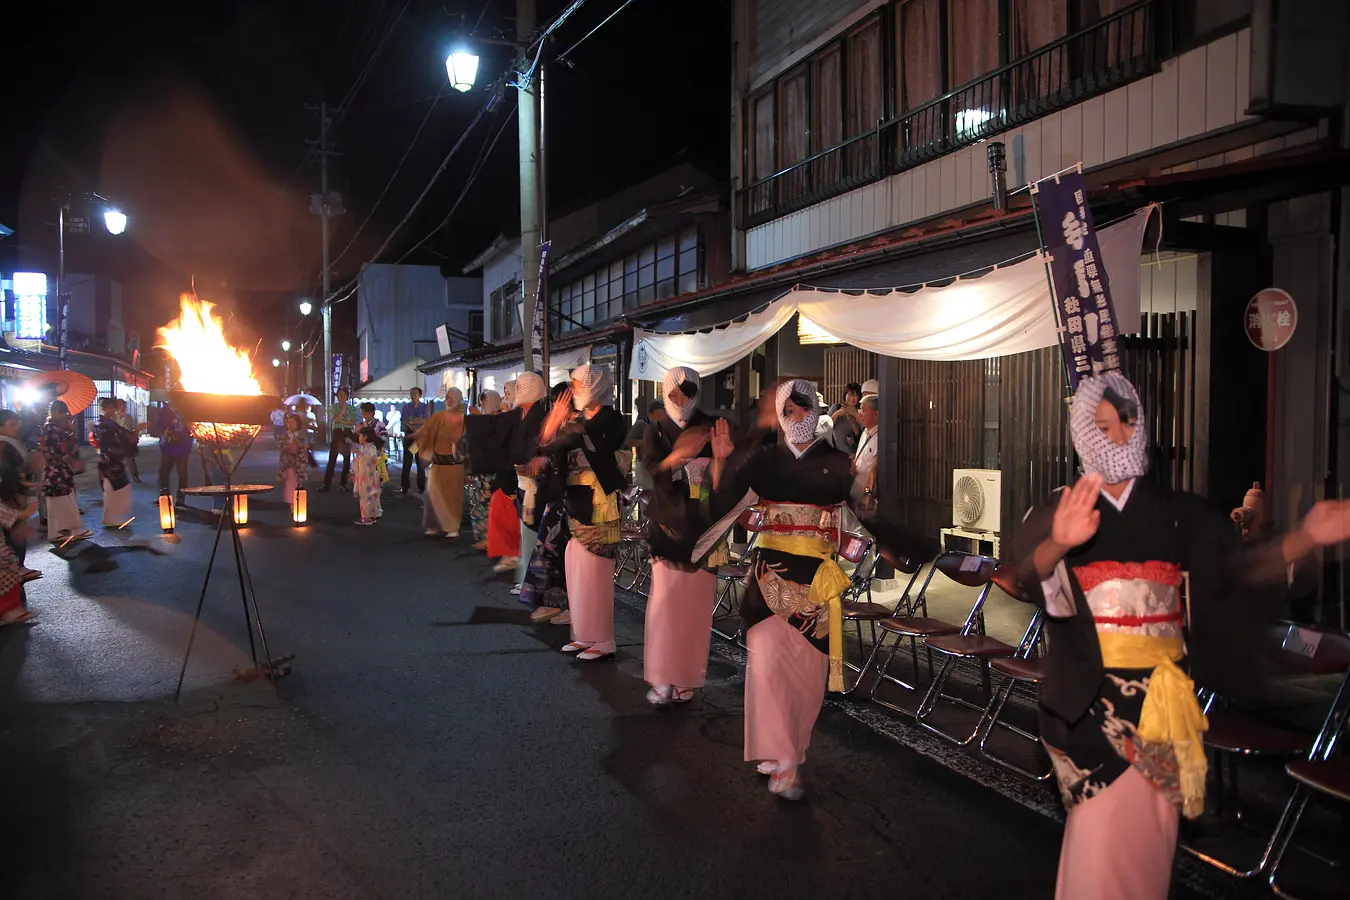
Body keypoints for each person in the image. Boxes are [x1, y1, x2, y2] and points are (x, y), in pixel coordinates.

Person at [1011, 372, 1350, 900]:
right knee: (1101, 849)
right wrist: (1056, 544)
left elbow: (1235, 573)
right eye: (1102, 427)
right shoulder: (1061, 508)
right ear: (1080, 433)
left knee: (1147, 850)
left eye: (1127, 424)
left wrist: (1306, 537)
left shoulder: (1179, 514)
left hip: (1164, 704)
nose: (1118, 438)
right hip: (1091, 707)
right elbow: (1026, 578)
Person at [709, 379, 856, 800]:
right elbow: (726, 503)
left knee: (806, 674)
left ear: (816, 410)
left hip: (814, 579)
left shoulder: (838, 461)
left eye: (803, 409)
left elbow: (857, 518)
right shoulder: (763, 459)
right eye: (787, 410)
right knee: (769, 668)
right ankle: (785, 758)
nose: (796, 418)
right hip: (768, 575)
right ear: (777, 412)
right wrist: (721, 464)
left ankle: (789, 748)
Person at [639, 366, 730, 706]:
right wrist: (681, 456)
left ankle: (687, 675)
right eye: (675, 394)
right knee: (665, 604)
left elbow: (719, 486)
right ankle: (663, 676)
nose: (682, 401)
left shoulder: (711, 426)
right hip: (666, 524)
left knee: (695, 607)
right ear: (665, 392)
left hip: (702, 524)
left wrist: (719, 458)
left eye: (688, 394)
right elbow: (649, 476)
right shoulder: (654, 430)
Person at [540, 365, 627, 661]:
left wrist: (579, 431)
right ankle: (583, 634)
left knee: (597, 571)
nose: (574, 392)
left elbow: (604, 453)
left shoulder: (613, 419)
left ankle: (603, 639)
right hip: (577, 497)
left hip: (601, 500)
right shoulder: (576, 419)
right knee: (575, 565)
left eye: (578, 386)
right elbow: (547, 446)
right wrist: (556, 419)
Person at [520, 381, 574, 622]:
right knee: (548, 549)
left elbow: (547, 445)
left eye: (559, 402)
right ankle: (553, 602)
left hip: (570, 496)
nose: (555, 406)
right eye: (553, 402)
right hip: (555, 494)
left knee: (556, 551)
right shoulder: (560, 423)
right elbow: (543, 446)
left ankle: (567, 605)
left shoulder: (577, 426)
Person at [409, 387, 467, 537]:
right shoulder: (438, 416)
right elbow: (426, 431)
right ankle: (433, 525)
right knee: (432, 495)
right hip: (438, 463)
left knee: (452, 497)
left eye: (452, 397)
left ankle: (452, 527)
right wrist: (415, 436)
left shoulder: (464, 418)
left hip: (454, 465)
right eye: (447, 397)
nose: (449, 400)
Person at [41, 400, 90, 540]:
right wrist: (73, 461)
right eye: (62, 414)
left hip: (58, 469)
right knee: (60, 501)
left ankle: (67, 530)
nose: (64, 416)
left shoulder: (54, 428)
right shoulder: (51, 429)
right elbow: (58, 451)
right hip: (56, 469)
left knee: (65, 500)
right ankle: (61, 531)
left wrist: (72, 431)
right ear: (56, 413)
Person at [93, 398, 138, 527]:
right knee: (113, 489)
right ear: (104, 409)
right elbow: (125, 437)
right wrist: (136, 432)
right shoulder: (103, 424)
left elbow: (126, 435)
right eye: (111, 408)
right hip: (109, 460)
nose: (113, 410)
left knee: (117, 489)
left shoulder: (107, 424)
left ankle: (112, 517)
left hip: (110, 459)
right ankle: (110, 518)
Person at [322, 386, 360, 491]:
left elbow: (353, 422)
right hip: (337, 432)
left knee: (347, 458)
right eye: (339, 395)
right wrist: (342, 410)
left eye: (344, 395)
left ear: (347, 396)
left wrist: (342, 421)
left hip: (347, 431)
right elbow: (335, 418)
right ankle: (326, 484)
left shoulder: (351, 408)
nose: (341, 397)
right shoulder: (333, 407)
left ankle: (343, 484)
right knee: (332, 458)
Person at [156, 404, 193, 504]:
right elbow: (159, 422)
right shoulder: (166, 409)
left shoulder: (187, 409)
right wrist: (164, 431)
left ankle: (180, 497)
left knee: (182, 474)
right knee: (163, 472)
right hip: (168, 446)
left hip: (183, 447)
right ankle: (164, 496)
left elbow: (192, 426)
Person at [399, 387, 432, 495]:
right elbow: (405, 420)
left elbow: (426, 420)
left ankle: (422, 486)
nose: (413, 395)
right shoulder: (406, 407)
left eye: (415, 393)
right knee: (407, 461)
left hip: (420, 437)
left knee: (420, 462)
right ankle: (404, 486)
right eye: (411, 393)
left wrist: (413, 422)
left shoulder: (425, 406)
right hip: (410, 435)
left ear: (419, 395)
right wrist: (415, 426)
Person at [277, 414, 312, 515]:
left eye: (293, 422)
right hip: (288, 463)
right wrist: (287, 444)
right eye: (289, 422)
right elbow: (281, 446)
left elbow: (304, 446)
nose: (290, 425)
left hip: (299, 463)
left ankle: (297, 503)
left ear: (298, 424)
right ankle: (291, 504)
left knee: (298, 483)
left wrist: (296, 440)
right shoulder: (285, 435)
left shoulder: (302, 435)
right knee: (289, 483)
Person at [351, 422, 385, 526]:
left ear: (365, 437)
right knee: (368, 497)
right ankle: (371, 515)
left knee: (367, 497)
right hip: (364, 476)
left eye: (360, 436)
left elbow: (369, 459)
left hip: (368, 476)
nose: (359, 438)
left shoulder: (371, 448)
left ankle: (367, 518)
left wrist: (359, 453)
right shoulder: (365, 447)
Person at [851, 395, 879, 512]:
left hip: (866, 498)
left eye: (863, 410)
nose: (860, 414)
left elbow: (875, 468)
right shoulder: (865, 433)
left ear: (876, 414)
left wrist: (867, 494)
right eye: (859, 410)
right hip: (855, 493)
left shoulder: (880, 436)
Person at [828, 384, 863, 455]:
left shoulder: (861, 412)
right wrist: (837, 413)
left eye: (855, 396)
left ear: (859, 397)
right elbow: (827, 428)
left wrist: (854, 422)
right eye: (849, 395)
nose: (852, 398)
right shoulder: (836, 407)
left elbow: (859, 435)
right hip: (835, 452)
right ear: (845, 395)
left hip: (852, 454)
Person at [117, 400, 143, 483]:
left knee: (130, 458)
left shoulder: (128, 416)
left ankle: (135, 476)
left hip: (126, 439)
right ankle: (120, 476)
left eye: (124, 405)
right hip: (118, 439)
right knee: (118, 459)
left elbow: (131, 428)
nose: (123, 407)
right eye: (122, 405)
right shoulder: (115, 416)